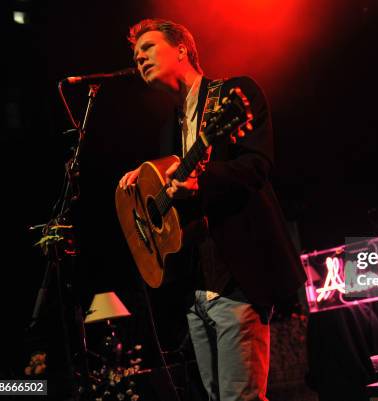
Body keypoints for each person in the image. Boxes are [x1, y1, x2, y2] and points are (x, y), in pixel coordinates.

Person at [118, 19, 306, 401]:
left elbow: (257, 166)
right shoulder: (167, 129)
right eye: (136, 57)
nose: (140, 59)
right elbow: (173, 208)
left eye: (148, 48)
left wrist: (201, 182)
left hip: (237, 279)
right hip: (194, 292)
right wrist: (151, 180)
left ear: (182, 49)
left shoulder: (233, 94)